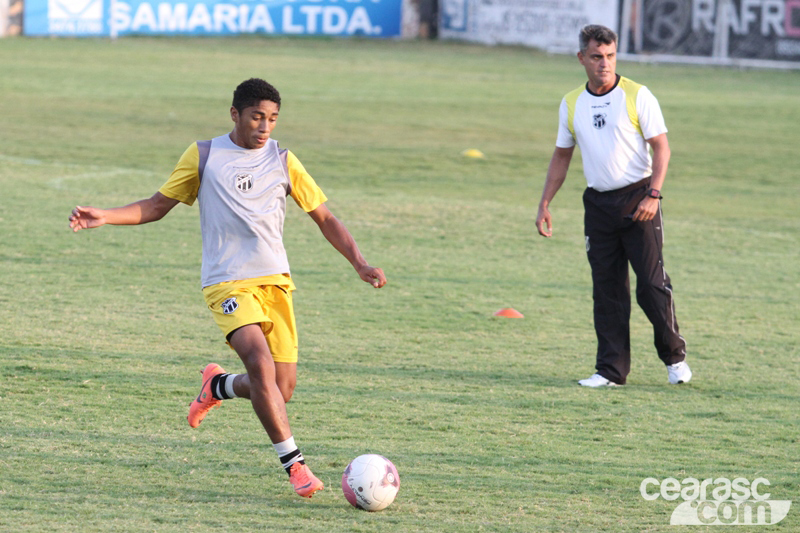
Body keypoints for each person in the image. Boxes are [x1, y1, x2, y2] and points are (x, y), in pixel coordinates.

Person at [69, 78, 387, 497]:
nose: (265, 126)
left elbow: (324, 217)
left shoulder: (284, 160)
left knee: (281, 389)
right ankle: (296, 467)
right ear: (235, 114)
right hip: (226, 281)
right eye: (257, 116)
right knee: (259, 363)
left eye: (272, 119)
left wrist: (360, 262)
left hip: (275, 283)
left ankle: (216, 385)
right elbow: (157, 205)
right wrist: (106, 215)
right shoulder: (204, 155)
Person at [535, 25, 691, 387]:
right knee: (607, 289)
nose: (604, 64)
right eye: (596, 57)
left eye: (610, 56)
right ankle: (611, 371)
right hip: (598, 206)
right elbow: (561, 156)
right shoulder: (572, 103)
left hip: (639, 200)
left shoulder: (638, 95)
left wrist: (654, 195)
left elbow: (662, 148)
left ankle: (674, 358)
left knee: (651, 286)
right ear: (581, 59)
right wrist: (545, 202)